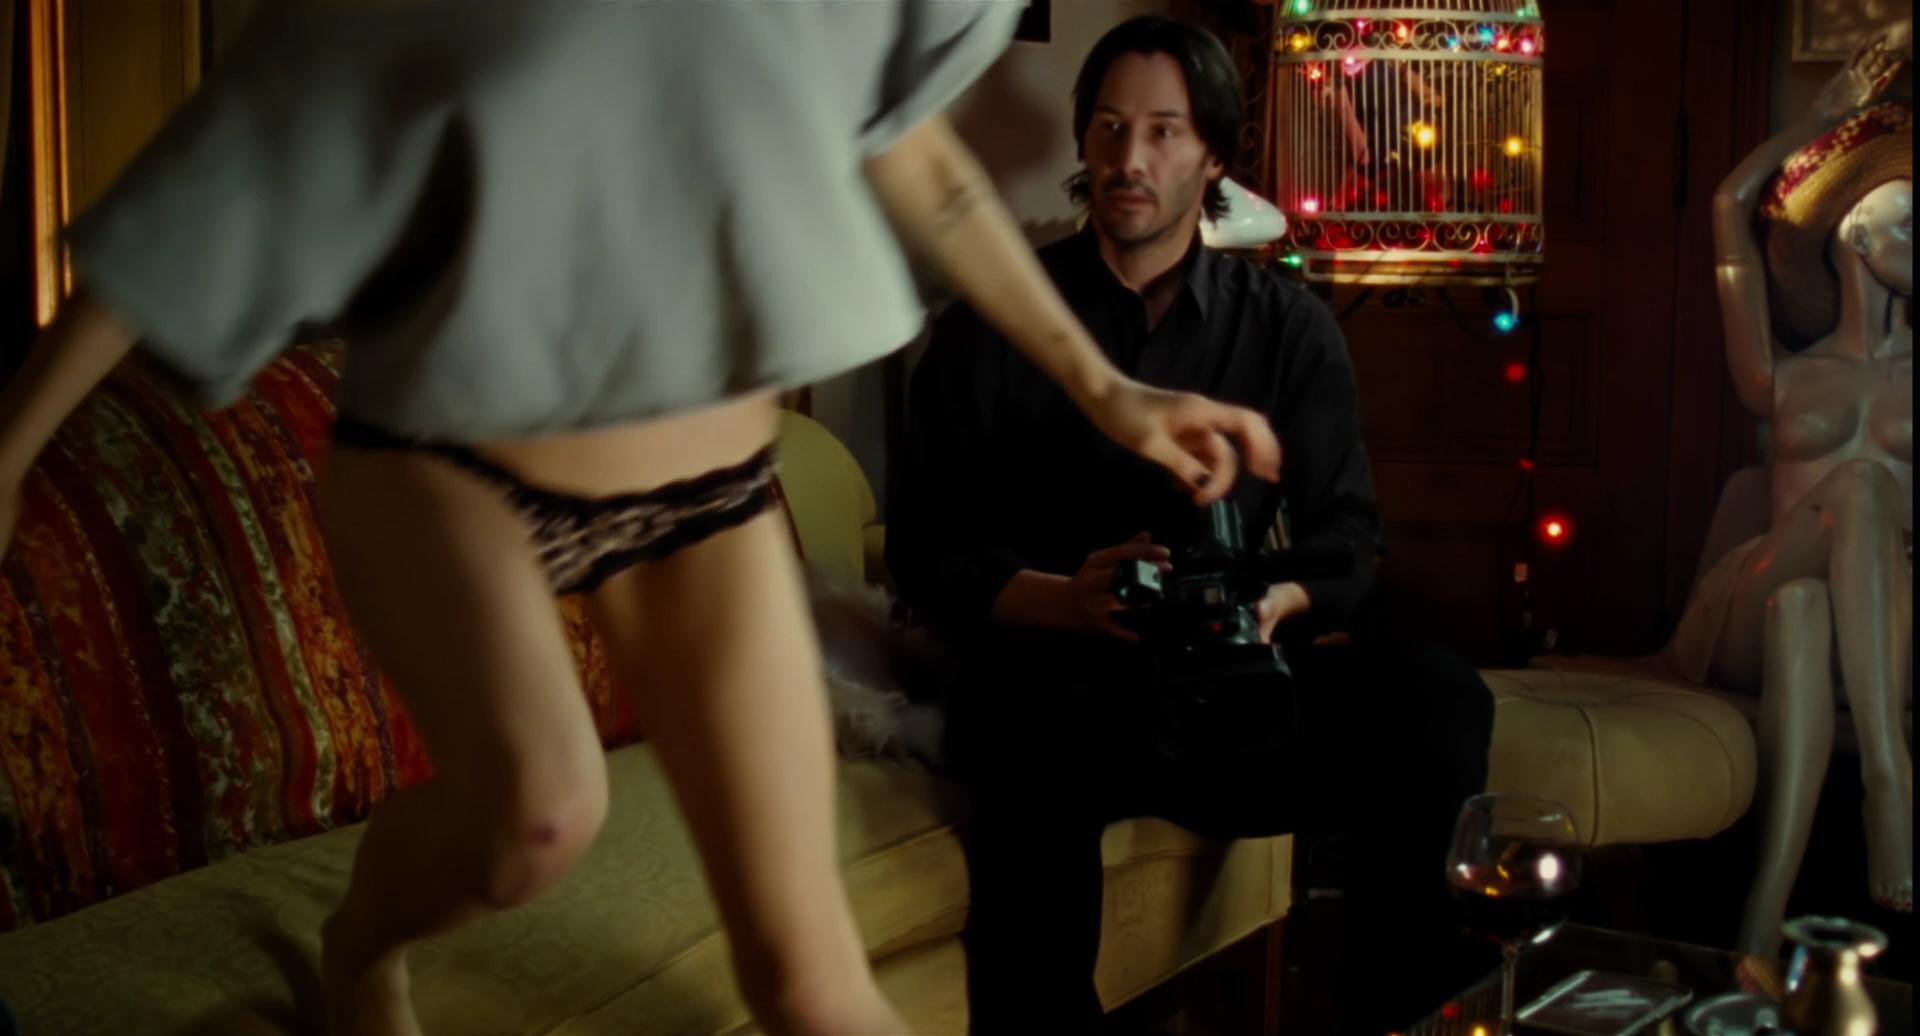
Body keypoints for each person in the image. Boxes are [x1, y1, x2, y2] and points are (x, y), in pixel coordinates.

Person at [0, 4, 1283, 1035]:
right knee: (539, 815)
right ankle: (363, 946)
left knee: (814, 982)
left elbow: (915, 157)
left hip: (704, 500)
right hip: (453, 469)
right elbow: (199, 202)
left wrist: (1106, 387)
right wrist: (7, 457)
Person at [887, 16, 1493, 1035]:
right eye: (1111, 127)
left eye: (1164, 131)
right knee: (1026, 734)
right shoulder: (993, 323)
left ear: (1213, 154)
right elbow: (923, 550)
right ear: (1084, 140)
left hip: (1226, 684)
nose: (1130, 158)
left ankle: (1404, 1015)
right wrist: (1063, 600)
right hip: (1056, 686)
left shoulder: (1287, 328)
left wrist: (1273, 603)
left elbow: (1349, 538)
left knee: (1438, 700)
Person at [1667, 25, 1911, 952]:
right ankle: (1890, 776)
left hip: (1876, 614)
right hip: (1752, 595)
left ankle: (1761, 924)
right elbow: (1729, 205)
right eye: (1910, 219)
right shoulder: (1783, 372)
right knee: (1856, 492)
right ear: (1852, 232)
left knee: (1806, 609)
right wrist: (1825, 121)